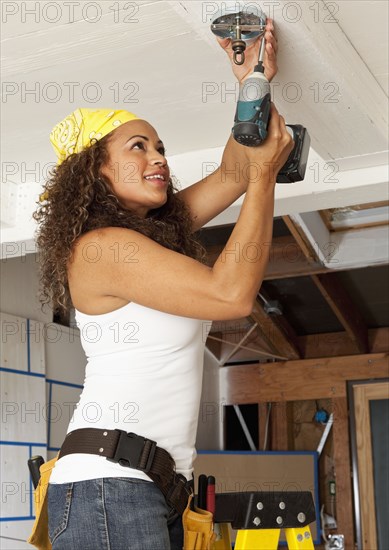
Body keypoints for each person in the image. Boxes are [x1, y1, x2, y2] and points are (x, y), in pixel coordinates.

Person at [33, 19, 293, 550]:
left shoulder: (150, 237)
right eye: (137, 147)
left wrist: (253, 83)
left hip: (142, 489)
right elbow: (231, 294)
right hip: (109, 486)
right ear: (95, 171)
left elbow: (233, 173)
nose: (159, 158)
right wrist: (266, 177)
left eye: (159, 146)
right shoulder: (103, 247)